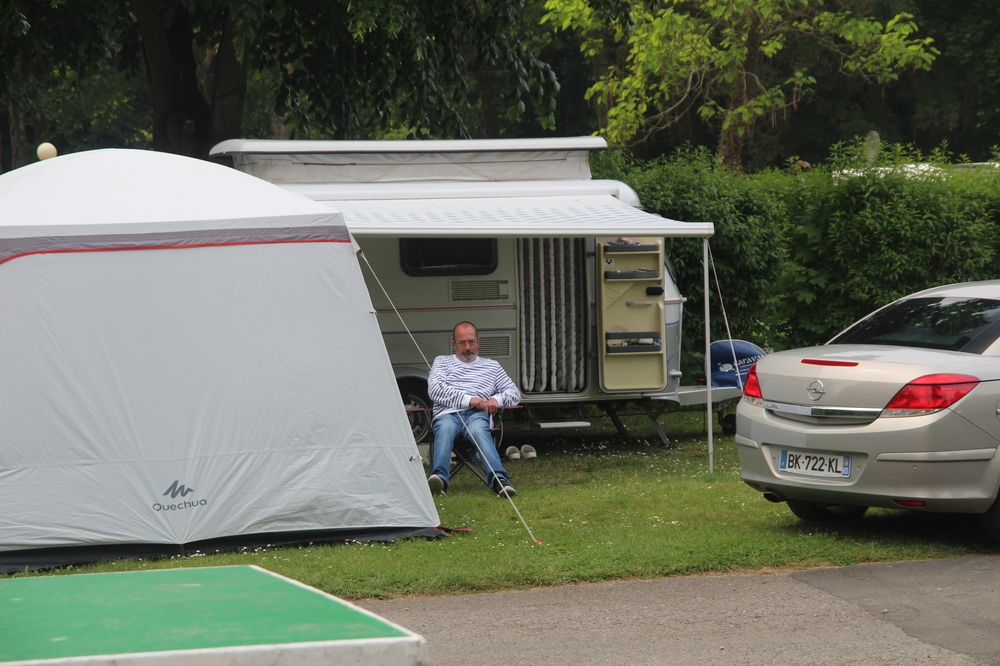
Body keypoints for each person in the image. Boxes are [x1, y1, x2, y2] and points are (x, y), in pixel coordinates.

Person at [427, 321, 521, 496]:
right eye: (462, 343)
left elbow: (514, 393)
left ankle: (500, 482)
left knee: (479, 431)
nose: (467, 347)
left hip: (477, 416)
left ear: (478, 341)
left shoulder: (492, 366)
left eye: (471, 341)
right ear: (454, 344)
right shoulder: (442, 362)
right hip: (447, 414)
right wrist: (470, 400)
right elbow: (435, 390)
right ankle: (439, 480)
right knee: (445, 429)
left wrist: (496, 399)